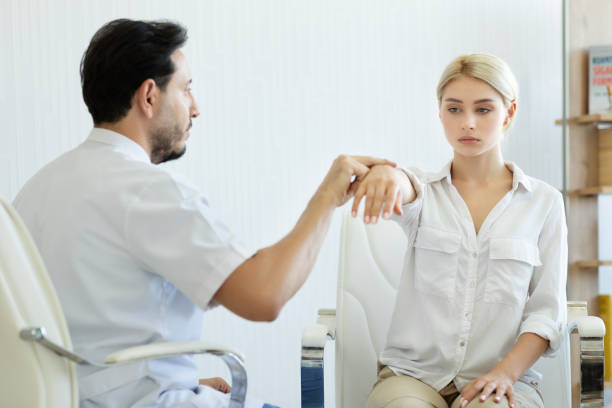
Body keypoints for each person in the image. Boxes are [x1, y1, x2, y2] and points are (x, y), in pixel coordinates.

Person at [12, 18, 393, 408]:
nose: (195, 108)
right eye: (186, 88)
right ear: (149, 96)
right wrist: (327, 197)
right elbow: (265, 295)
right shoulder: (149, 192)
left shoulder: (37, 189)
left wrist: (183, 375)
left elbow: (89, 332)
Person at [352, 54, 567, 408]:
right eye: (454, 109)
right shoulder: (422, 189)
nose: (467, 123)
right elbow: (405, 188)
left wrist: (504, 374)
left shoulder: (544, 203)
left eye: (483, 110)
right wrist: (388, 175)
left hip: (503, 381)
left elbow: (547, 312)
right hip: (412, 378)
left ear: (509, 113)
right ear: (440, 113)